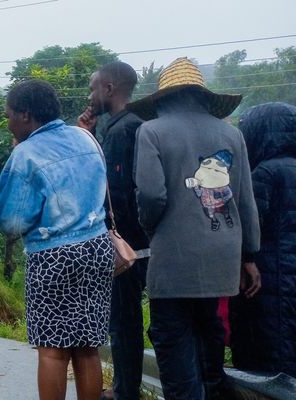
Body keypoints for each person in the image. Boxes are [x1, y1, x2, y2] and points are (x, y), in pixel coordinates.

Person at [128, 57, 260, 399]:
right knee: (209, 340)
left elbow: (152, 195)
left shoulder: (151, 131)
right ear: (203, 96)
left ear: (163, 99)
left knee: (174, 346)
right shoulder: (232, 133)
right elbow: (245, 201)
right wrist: (249, 257)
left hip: (173, 261)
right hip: (223, 259)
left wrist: (152, 229)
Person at [0, 79, 114, 400]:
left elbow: (11, 221)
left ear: (25, 115)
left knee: (52, 351)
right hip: (98, 248)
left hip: (53, 256)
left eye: (8, 116)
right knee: (87, 348)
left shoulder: (26, 154)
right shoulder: (86, 138)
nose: (7, 123)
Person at [79, 61, 152, 400]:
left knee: (124, 321)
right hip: (142, 241)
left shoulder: (125, 130)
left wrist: (110, 231)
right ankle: (126, 389)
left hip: (128, 243)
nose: (90, 95)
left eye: (94, 87)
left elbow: (116, 190)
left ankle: (126, 392)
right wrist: (91, 137)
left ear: (109, 89)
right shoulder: (124, 126)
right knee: (127, 320)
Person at [231, 102, 295, 378]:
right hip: (289, 270)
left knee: (269, 342)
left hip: (267, 274)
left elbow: (248, 224)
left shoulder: (264, 174)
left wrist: (246, 260)